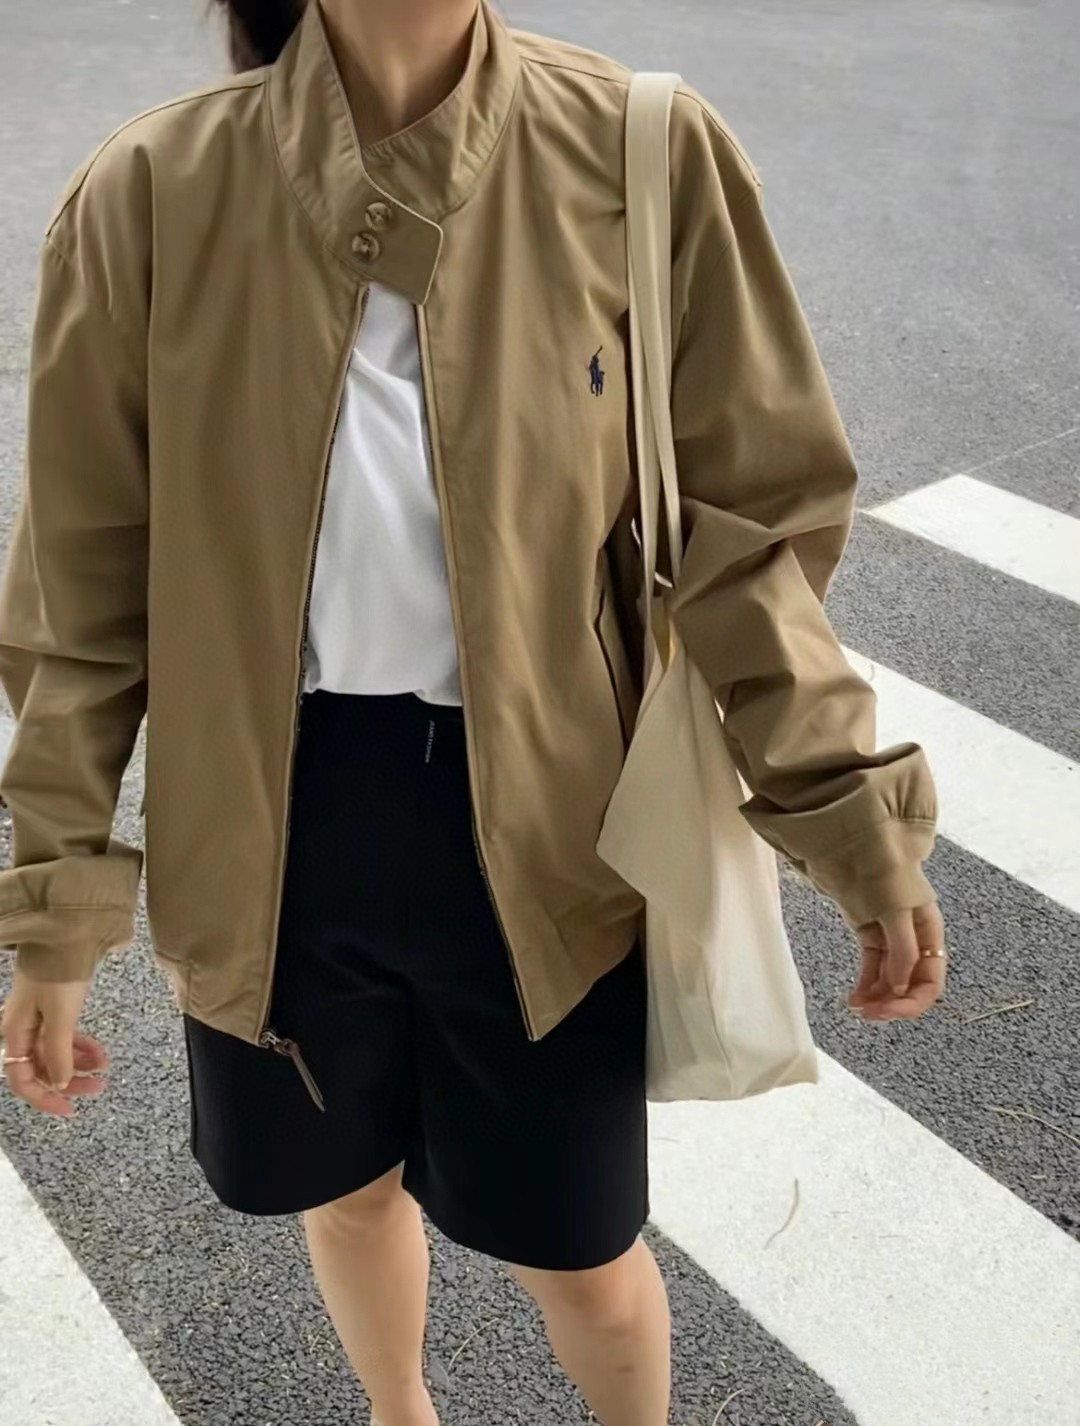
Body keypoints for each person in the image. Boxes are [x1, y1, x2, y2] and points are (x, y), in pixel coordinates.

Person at [0, 2, 948, 1423]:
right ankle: (402, 1410)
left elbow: (749, 537)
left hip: (551, 840)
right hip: (268, 841)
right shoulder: (151, 191)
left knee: (583, 1252)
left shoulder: (640, 149)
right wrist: (56, 912)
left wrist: (848, 814)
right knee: (346, 1192)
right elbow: (80, 597)